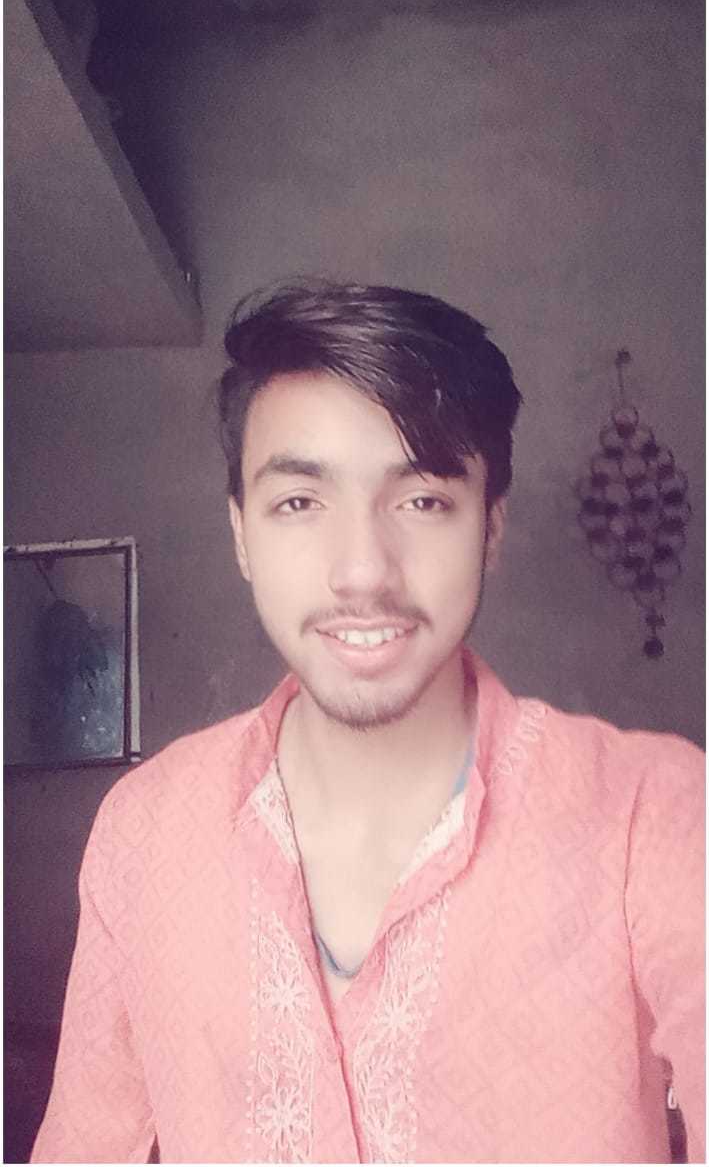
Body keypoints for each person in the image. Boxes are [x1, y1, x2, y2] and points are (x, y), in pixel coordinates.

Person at [33, 279, 704, 1164]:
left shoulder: (653, 815)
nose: (362, 571)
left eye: (421, 500)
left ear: (489, 529)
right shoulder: (144, 829)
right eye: (299, 502)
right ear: (240, 533)